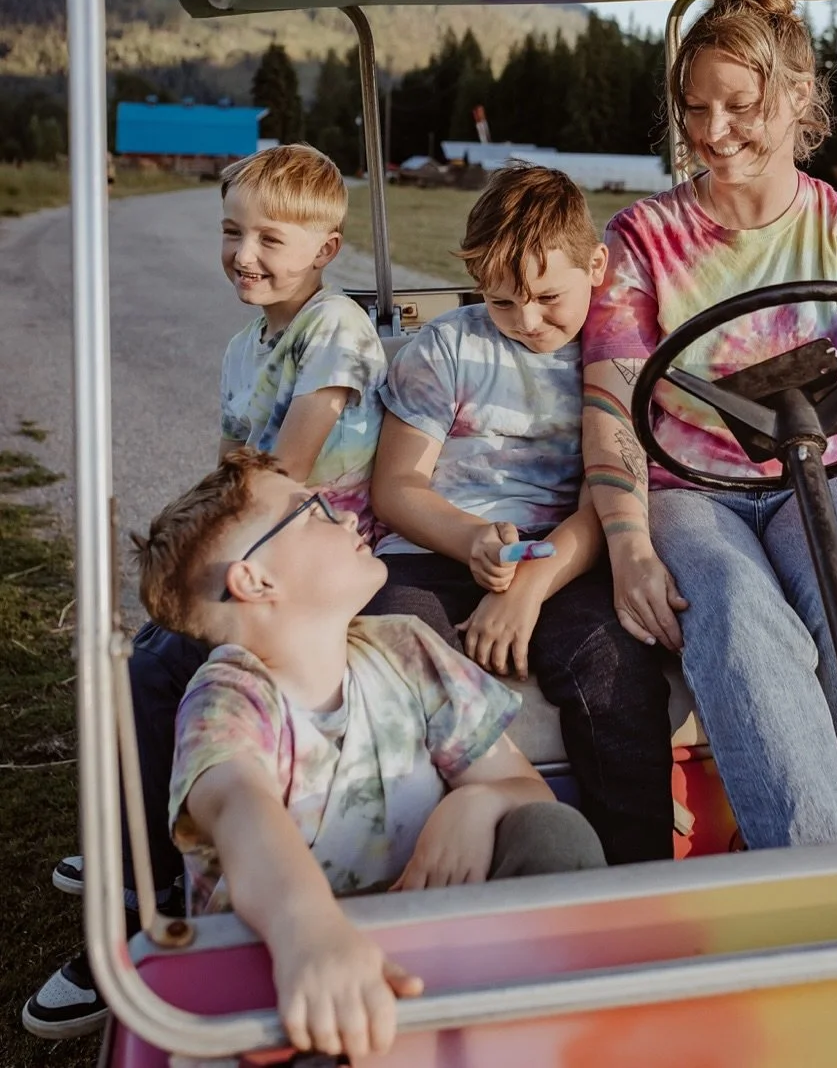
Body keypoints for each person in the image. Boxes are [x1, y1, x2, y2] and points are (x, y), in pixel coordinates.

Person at [581, 0, 837, 851]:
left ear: (796, 98)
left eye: (739, 107)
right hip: (692, 491)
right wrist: (628, 545)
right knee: (736, 607)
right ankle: (824, 874)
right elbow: (612, 405)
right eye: (695, 108)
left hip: (830, 478)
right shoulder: (641, 240)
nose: (712, 132)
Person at [25, 144, 388, 1039]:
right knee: (145, 645)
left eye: (270, 239)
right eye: (232, 233)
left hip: (311, 552)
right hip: (257, 546)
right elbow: (228, 474)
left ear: (325, 249)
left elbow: (285, 469)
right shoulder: (242, 345)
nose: (244, 255)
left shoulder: (336, 329)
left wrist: (208, 557)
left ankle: (140, 901)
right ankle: (137, 837)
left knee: (160, 669)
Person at [157, 450, 604, 1063]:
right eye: (313, 511)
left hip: (429, 950)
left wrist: (477, 802)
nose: (345, 515)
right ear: (255, 581)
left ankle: (545, 1035)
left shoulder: (406, 648)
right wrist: (309, 935)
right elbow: (239, 806)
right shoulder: (228, 699)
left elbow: (528, 791)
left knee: (551, 831)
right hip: (291, 976)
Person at [365, 163, 675, 866]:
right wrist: (471, 537)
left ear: (595, 266)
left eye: (547, 297)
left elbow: (610, 496)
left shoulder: (615, 359)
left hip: (563, 555)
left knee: (615, 670)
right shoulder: (447, 348)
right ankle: (417, 869)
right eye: (502, 302)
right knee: (395, 655)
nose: (527, 321)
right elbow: (398, 487)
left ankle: (635, 878)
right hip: (438, 548)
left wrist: (528, 587)